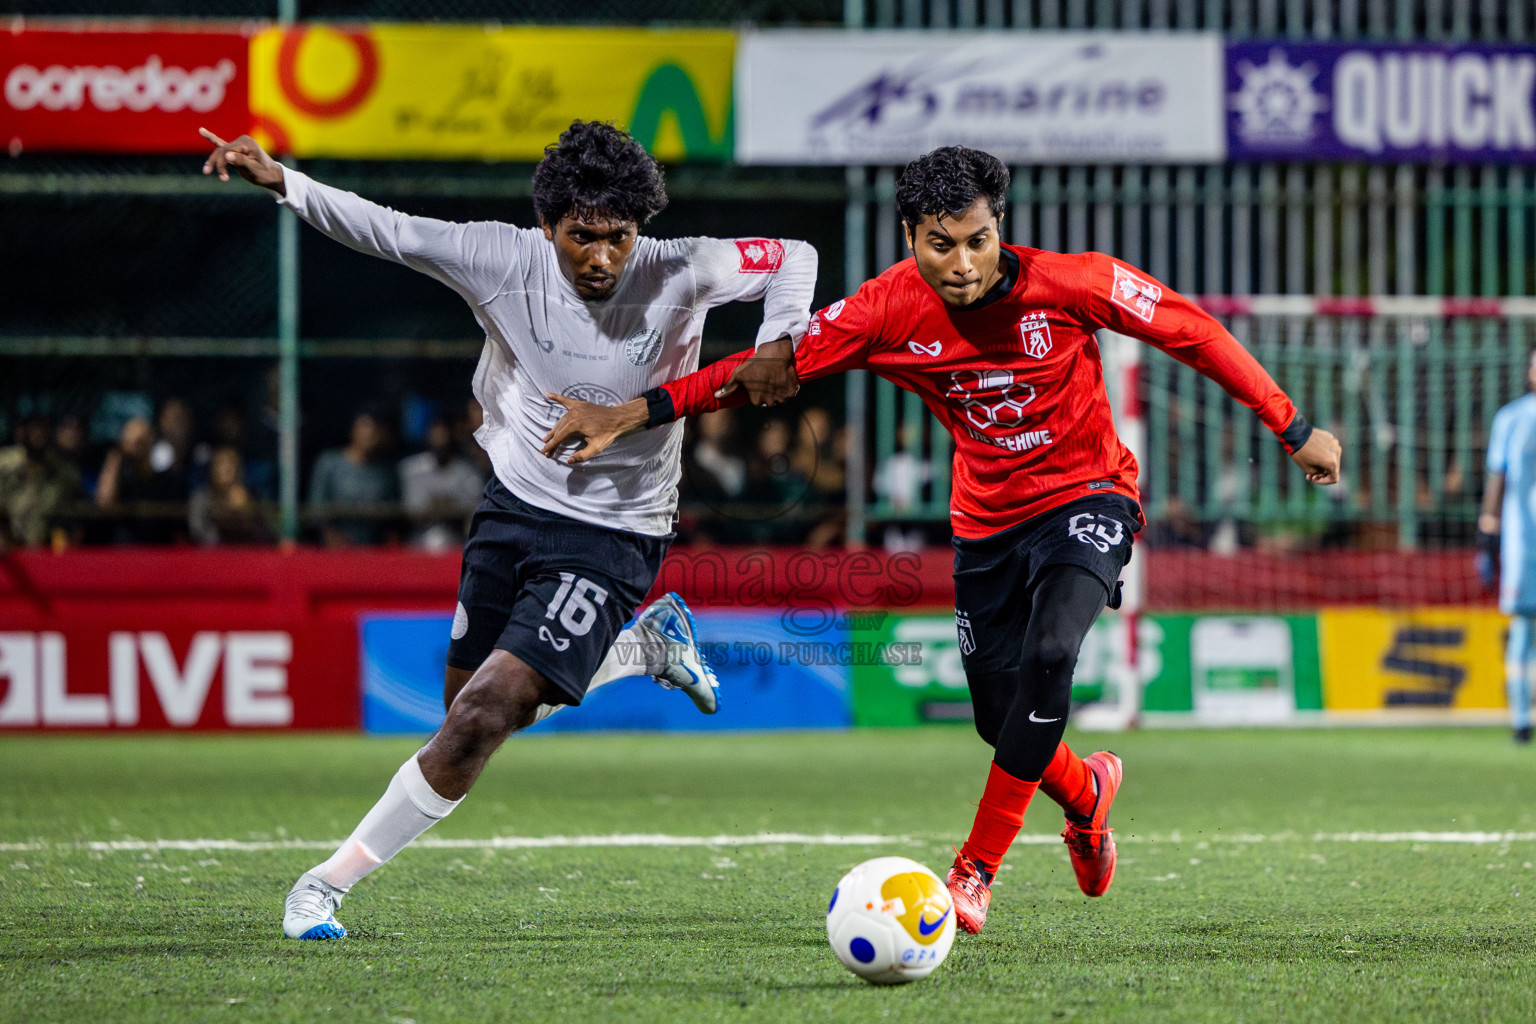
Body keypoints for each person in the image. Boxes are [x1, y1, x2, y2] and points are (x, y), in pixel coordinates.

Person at [543, 145, 1342, 934]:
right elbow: (761, 371)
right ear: (909, 237)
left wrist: (1293, 426)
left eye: (977, 241)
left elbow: (1193, 331)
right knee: (1000, 720)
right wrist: (629, 413)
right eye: (940, 244)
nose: (962, 264)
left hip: (1088, 496)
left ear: (1000, 229)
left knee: (1053, 654)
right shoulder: (884, 310)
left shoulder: (1076, 283)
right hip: (986, 528)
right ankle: (1087, 794)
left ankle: (975, 869)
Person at [200, 118, 817, 940]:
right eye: (581, 237)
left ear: (642, 229)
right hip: (514, 504)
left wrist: (780, 336)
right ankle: (643, 648)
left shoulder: (684, 266)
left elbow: (795, 255)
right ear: (547, 226)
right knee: (463, 712)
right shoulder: (500, 258)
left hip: (615, 532)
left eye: (620, 237)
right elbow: (388, 230)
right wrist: (285, 181)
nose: (602, 257)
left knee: (479, 719)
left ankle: (322, 885)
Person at [1479, 347, 1536, 744]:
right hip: (1523, 544)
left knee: (1524, 631)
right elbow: (1497, 478)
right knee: (1523, 627)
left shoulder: (1512, 417)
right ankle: (1520, 718)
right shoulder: (1512, 417)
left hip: (1522, 545)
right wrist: (1488, 532)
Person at [308, 409, 400, 547]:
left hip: (373, 549)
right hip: (335, 549)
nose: (371, 433)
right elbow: (316, 511)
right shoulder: (329, 463)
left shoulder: (385, 471)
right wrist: (335, 541)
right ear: (353, 430)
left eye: (376, 429)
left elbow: (392, 516)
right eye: (365, 426)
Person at [399, 415, 488, 551]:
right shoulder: (412, 469)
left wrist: (446, 505)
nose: (440, 442)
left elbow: (473, 510)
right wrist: (440, 506)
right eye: (436, 437)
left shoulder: (469, 472)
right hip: (419, 542)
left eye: (444, 437)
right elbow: (412, 510)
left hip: (456, 541)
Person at [0, 415, 82, 551]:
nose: (38, 436)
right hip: (7, 549)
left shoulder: (64, 472)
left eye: (42, 430)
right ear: (19, 433)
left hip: (44, 549)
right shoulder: (4, 465)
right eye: (33, 430)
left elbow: (73, 515)